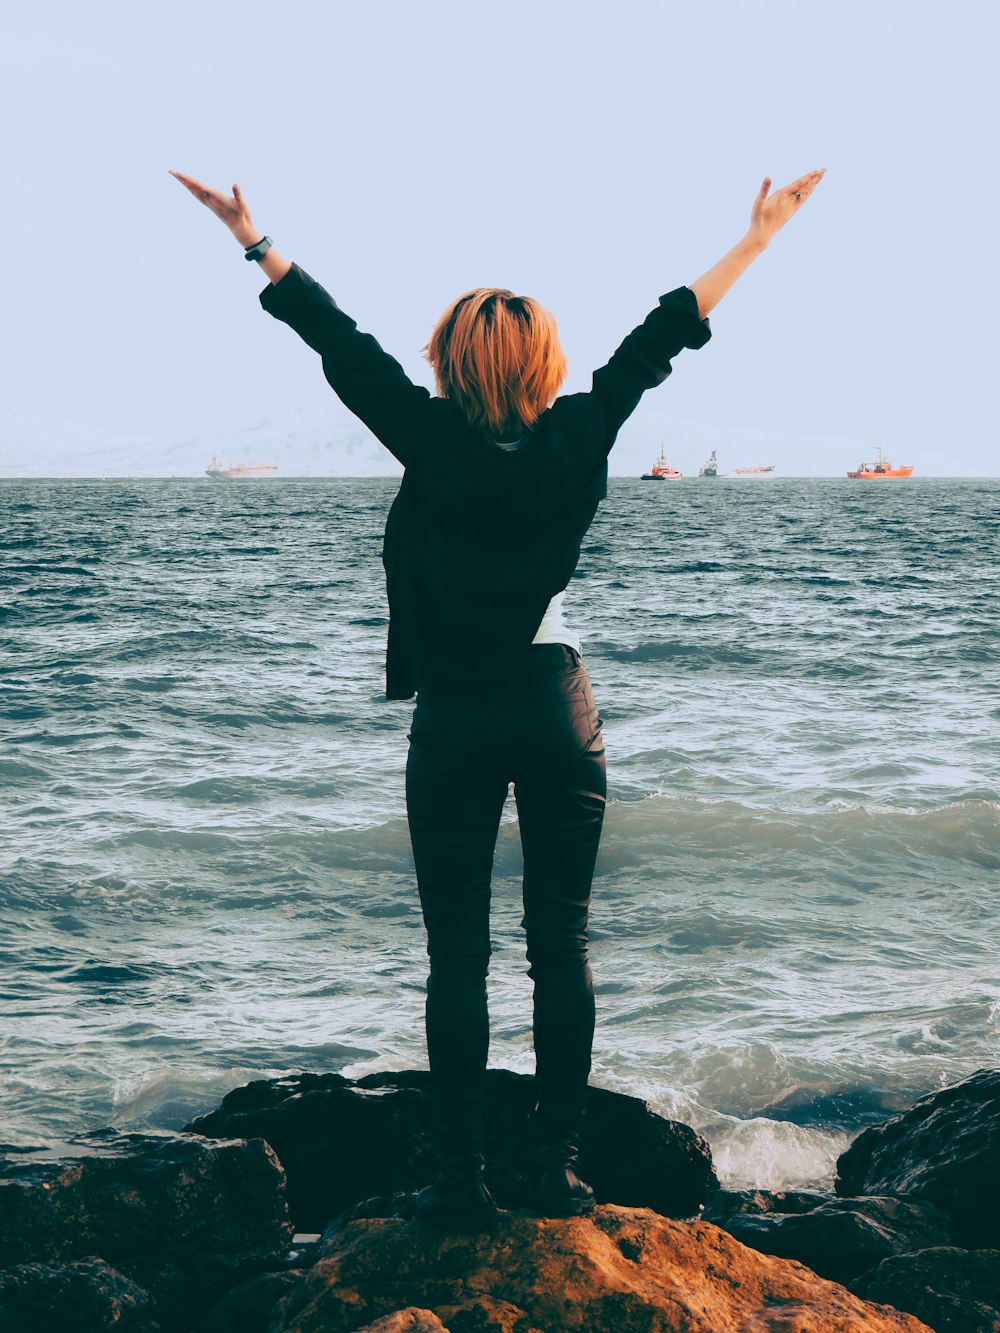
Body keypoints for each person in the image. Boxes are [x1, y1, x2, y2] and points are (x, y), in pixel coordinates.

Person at [171, 165, 825, 1230]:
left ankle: (464, 1180)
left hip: (459, 712)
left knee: (456, 954)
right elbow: (667, 331)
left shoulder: (426, 436)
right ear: (547, 363)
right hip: (555, 701)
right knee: (558, 943)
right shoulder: (582, 429)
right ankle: (553, 1171)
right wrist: (755, 239)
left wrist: (255, 241)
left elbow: (338, 343)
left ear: (446, 362)